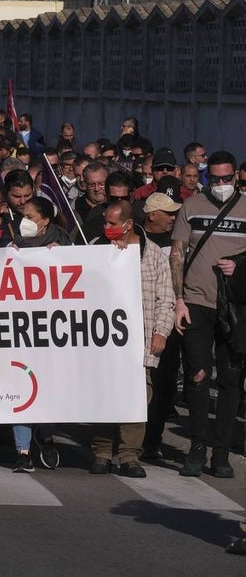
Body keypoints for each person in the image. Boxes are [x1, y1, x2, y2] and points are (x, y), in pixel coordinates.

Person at [170, 150, 245, 478]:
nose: (220, 184)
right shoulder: (192, 206)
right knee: (197, 375)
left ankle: (222, 452)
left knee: (230, 381)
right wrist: (178, 299)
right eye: (213, 179)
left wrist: (240, 266)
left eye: (226, 179)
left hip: (236, 305)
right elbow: (177, 254)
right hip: (197, 302)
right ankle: (198, 446)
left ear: (236, 177)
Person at [90, 201, 173, 478]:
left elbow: (166, 298)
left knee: (137, 398)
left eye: (112, 224)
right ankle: (102, 452)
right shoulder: (94, 248)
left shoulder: (154, 256)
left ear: (127, 224)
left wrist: (161, 331)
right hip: (104, 342)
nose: (107, 228)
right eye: (105, 223)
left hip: (140, 340)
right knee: (103, 396)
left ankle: (129, 455)